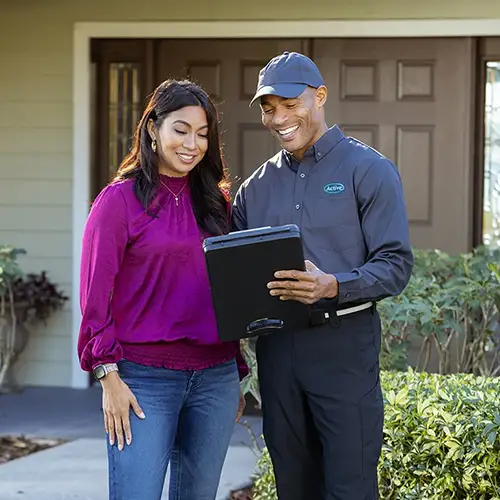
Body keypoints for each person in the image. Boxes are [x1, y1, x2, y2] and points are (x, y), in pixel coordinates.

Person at [232, 52, 414, 500]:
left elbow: (395, 265)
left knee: (351, 488)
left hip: (344, 349)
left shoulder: (368, 170)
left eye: (290, 104)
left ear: (320, 97)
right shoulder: (253, 189)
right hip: (277, 354)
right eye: (269, 108)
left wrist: (333, 285)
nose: (279, 118)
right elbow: (232, 281)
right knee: (293, 487)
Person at [77, 79, 248, 500]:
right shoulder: (118, 202)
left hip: (215, 379)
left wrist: (236, 374)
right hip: (142, 380)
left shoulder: (218, 206)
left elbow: (227, 293)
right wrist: (108, 377)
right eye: (181, 129)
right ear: (153, 128)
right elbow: (94, 297)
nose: (193, 143)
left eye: (203, 133)